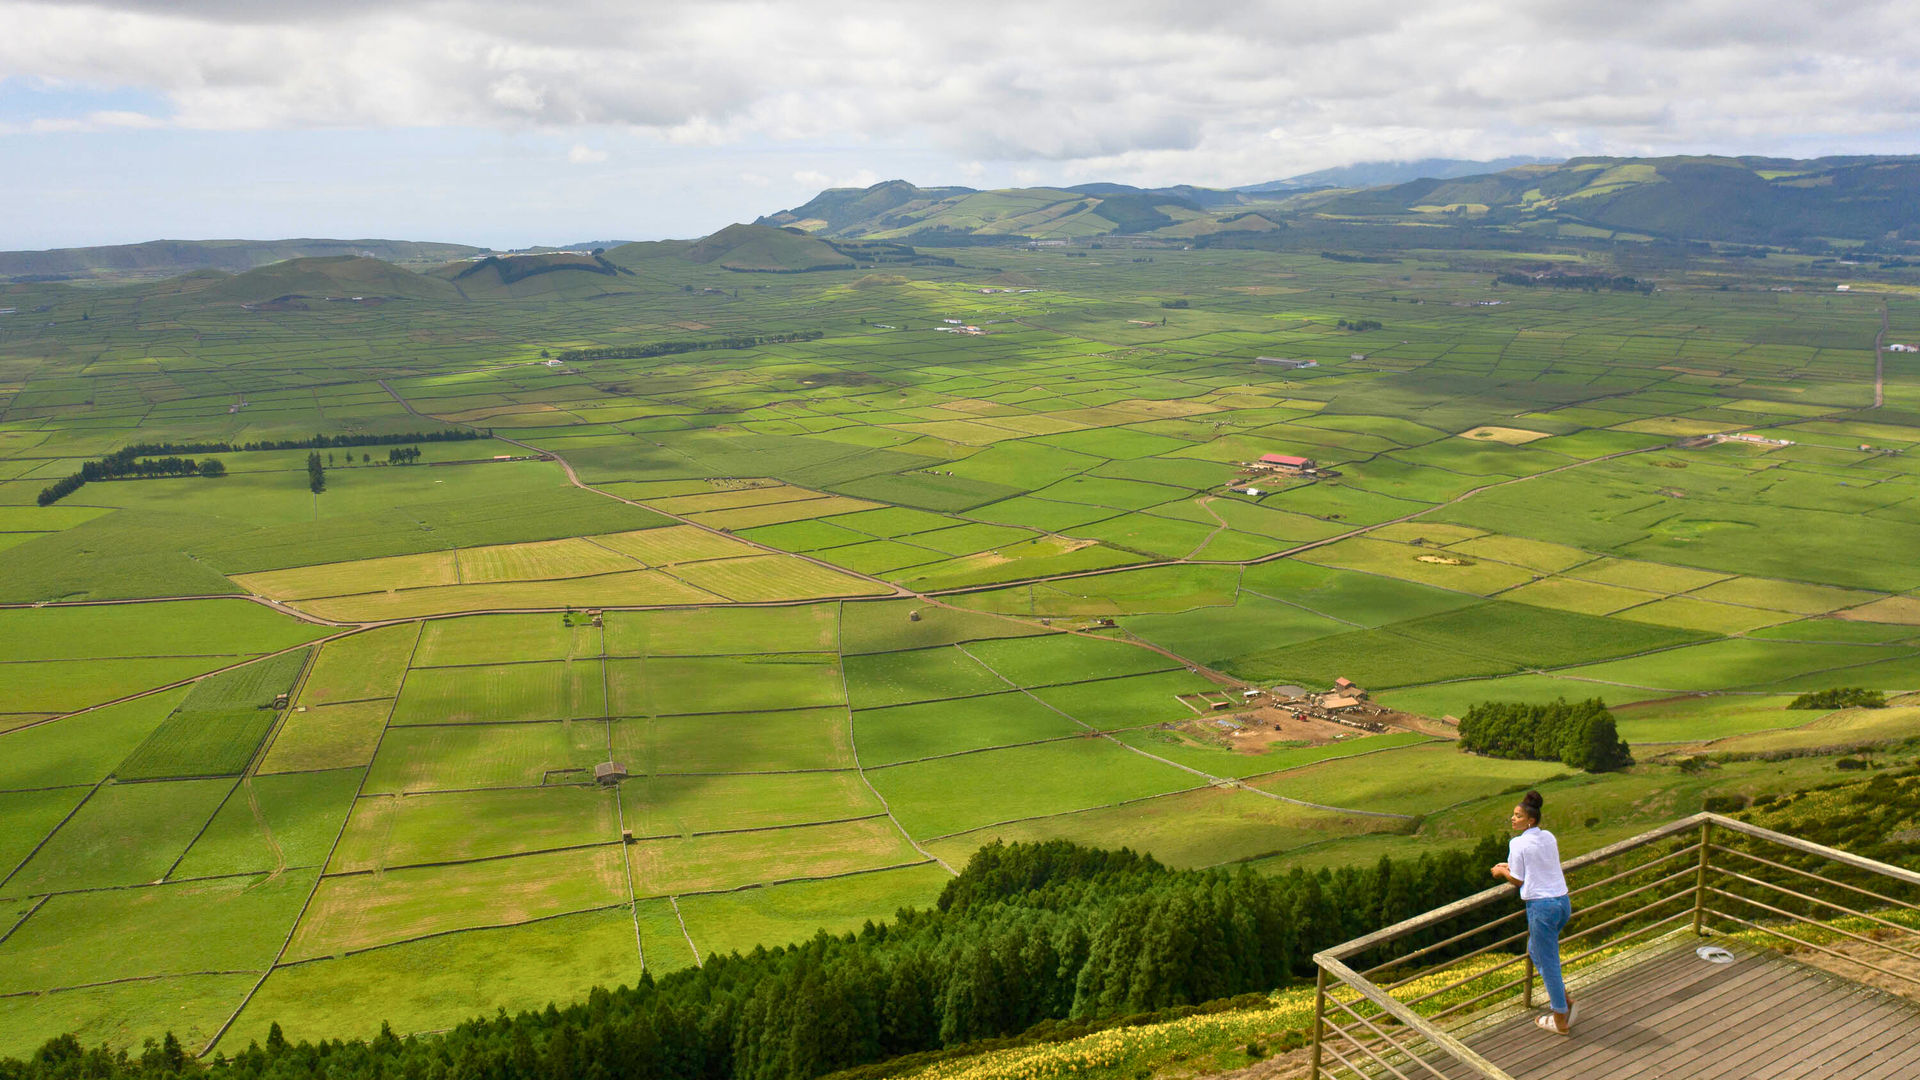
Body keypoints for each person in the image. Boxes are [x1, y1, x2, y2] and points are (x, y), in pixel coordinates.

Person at [1491, 790, 1577, 1035]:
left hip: (1542, 908)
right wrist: (1510, 867)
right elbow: (1536, 864)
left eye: (1517, 816)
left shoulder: (1517, 843)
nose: (1512, 818)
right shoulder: (1548, 837)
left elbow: (1518, 879)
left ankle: (1560, 1019)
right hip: (1562, 902)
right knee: (1535, 951)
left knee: (1549, 963)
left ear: (1530, 820)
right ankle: (1564, 999)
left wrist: (1500, 872)